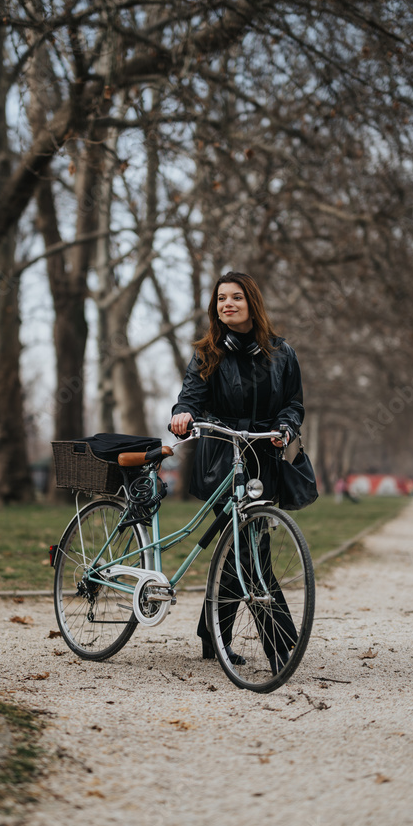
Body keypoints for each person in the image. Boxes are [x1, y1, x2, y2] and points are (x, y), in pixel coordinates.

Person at [170, 271, 305, 673]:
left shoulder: (282, 354)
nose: (227, 304)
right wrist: (183, 414)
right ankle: (283, 646)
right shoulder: (207, 353)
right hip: (220, 459)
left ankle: (212, 634)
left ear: (252, 304)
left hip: (263, 457)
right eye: (221, 298)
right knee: (250, 550)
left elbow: (293, 405)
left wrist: (286, 427)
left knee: (243, 548)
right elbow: (189, 397)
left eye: (236, 298)